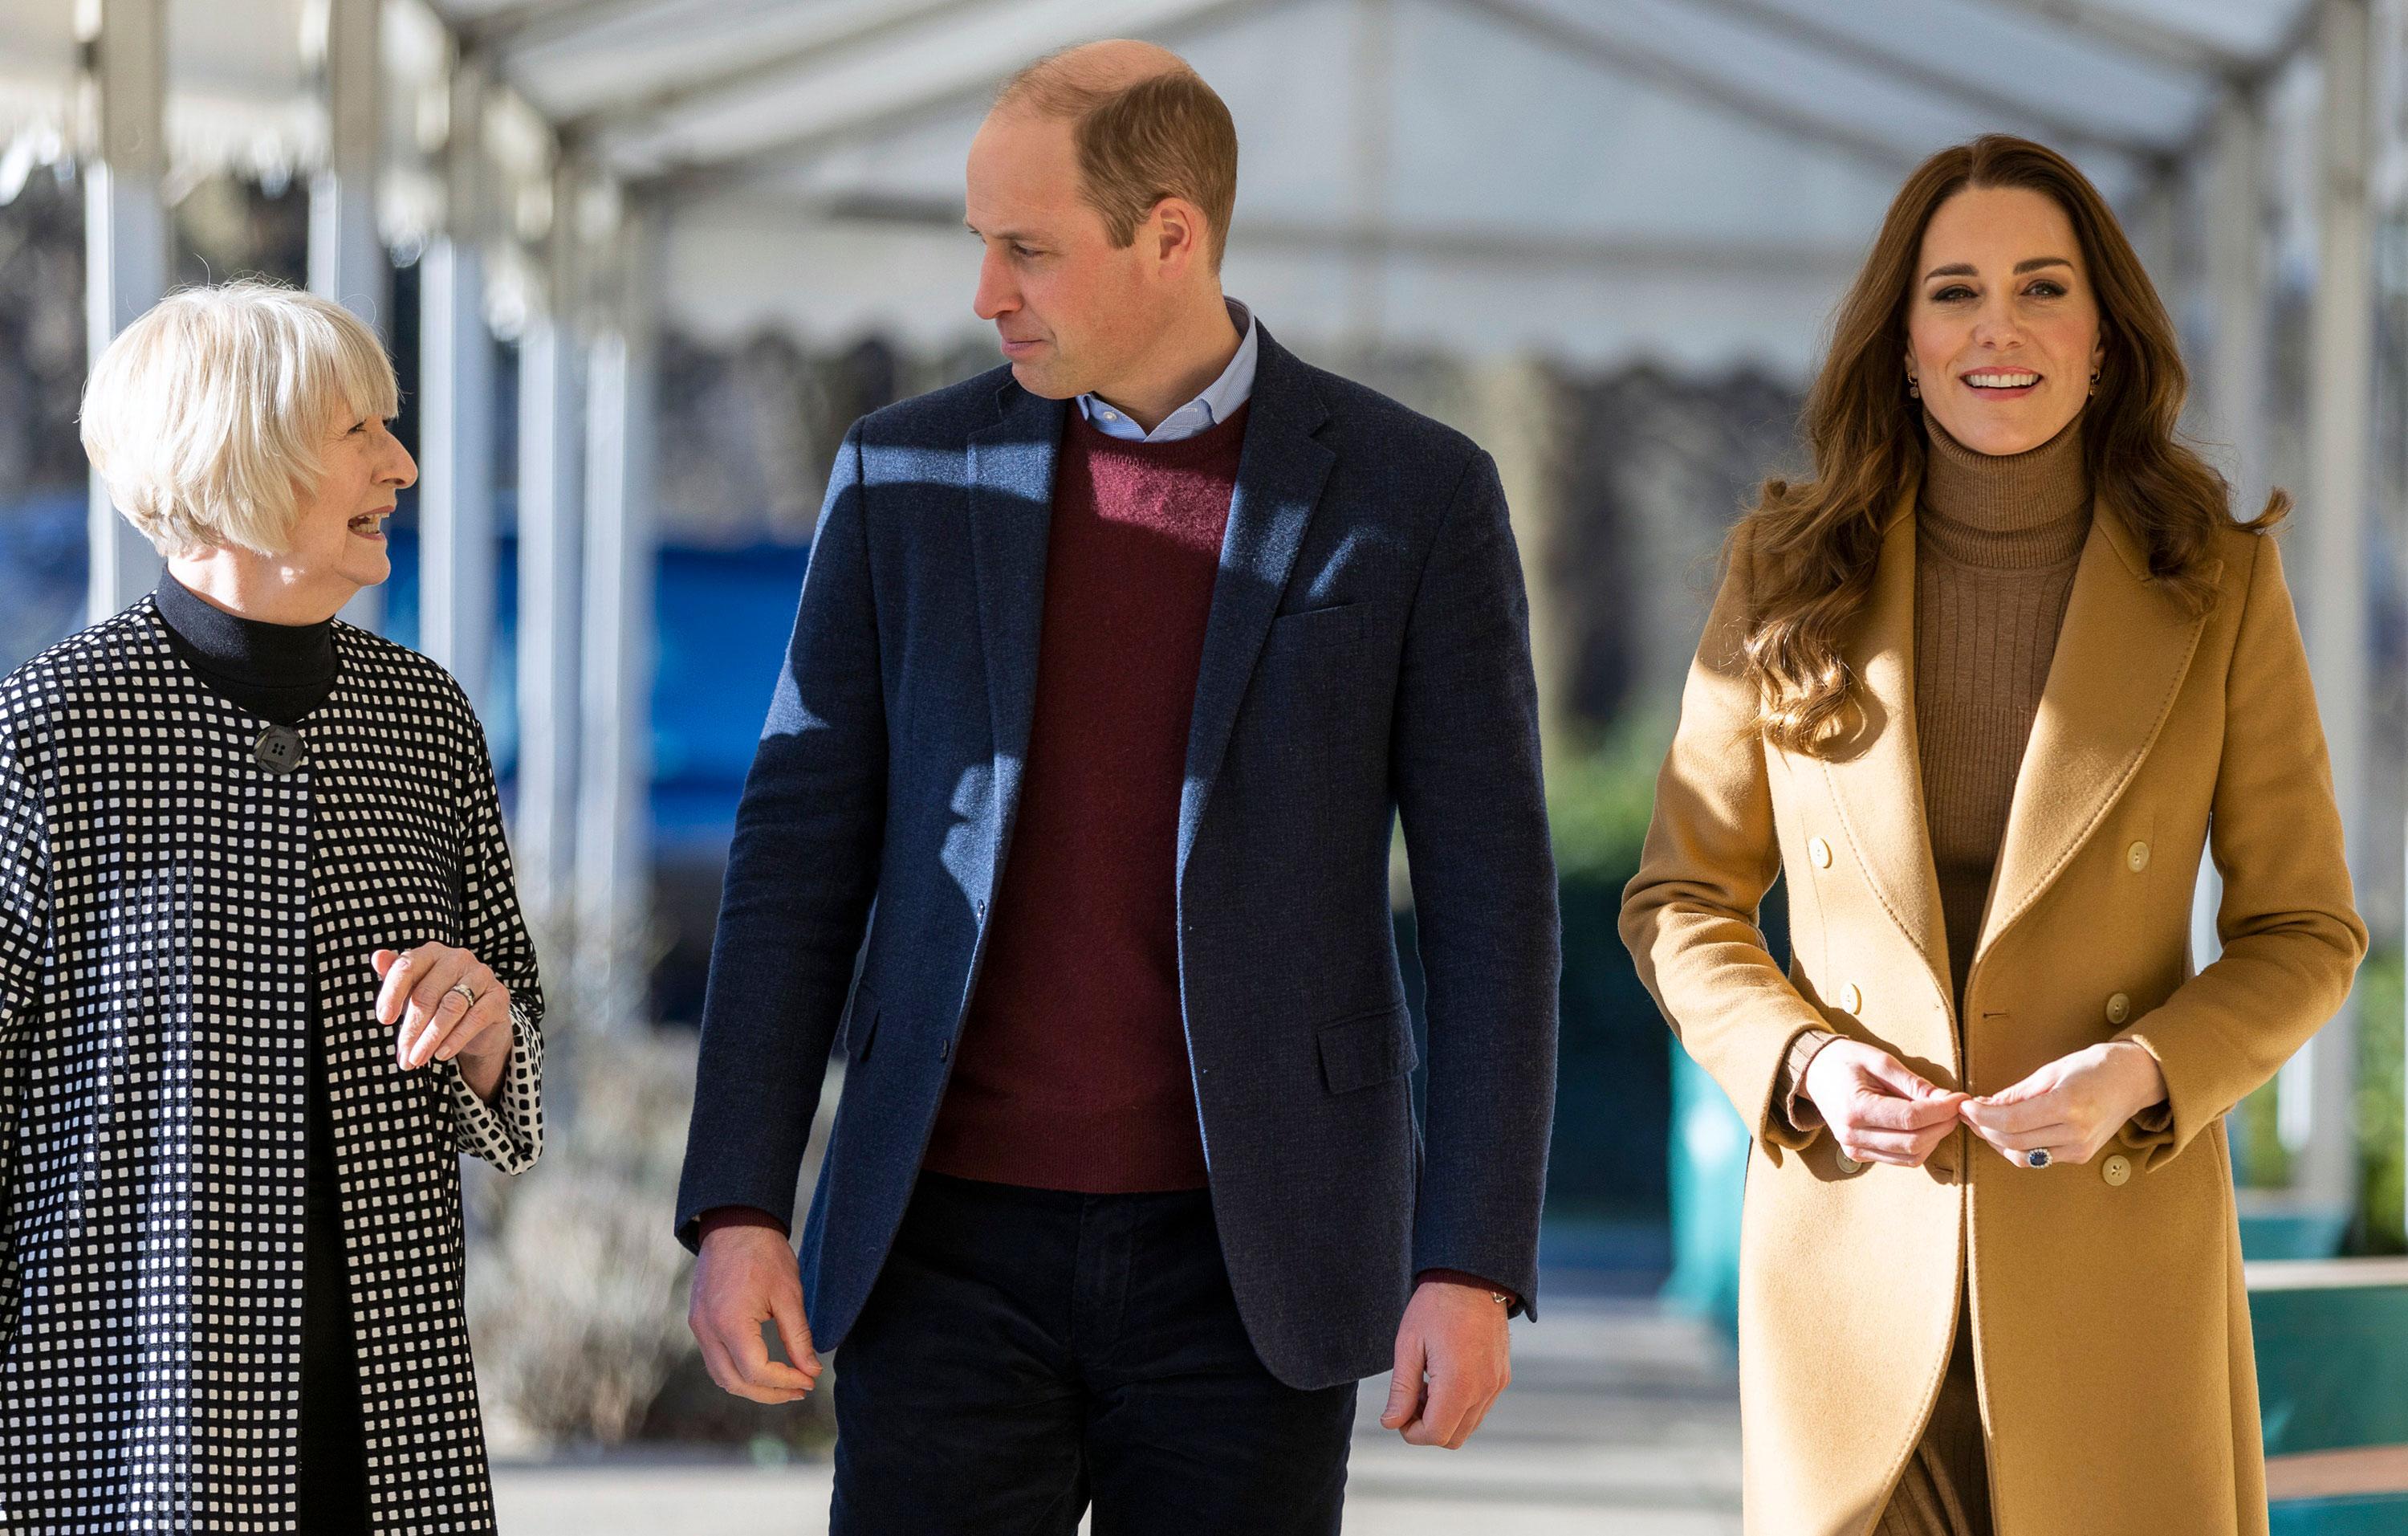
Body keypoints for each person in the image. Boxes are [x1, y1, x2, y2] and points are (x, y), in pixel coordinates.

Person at [675, 39, 1558, 1535]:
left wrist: (1471, 1259)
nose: (986, 292)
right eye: (981, 245)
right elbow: (796, 851)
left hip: (1254, 1262)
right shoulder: (902, 477)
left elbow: (1493, 899)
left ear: (1173, 235)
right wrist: (739, 1203)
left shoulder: (1418, 494)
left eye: (1028, 249)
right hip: (938, 1248)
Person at [1620, 134, 2366, 1536]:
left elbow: (2308, 930)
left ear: (2105, 339)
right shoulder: (1782, 574)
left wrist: (2148, 1069)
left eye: (2042, 287)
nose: (1999, 328)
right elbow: (1680, 898)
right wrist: (1809, 1060)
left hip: (2115, 1265)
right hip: (1853, 1258)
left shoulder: (2221, 583)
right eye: (1955, 292)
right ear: (1903, 343)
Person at [0, 280, 546, 1529]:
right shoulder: (51, 736)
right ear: (233, 451)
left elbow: (520, 1030)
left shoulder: (426, 720)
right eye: (359, 431)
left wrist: (492, 1032)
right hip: (127, 1431)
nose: (402, 464)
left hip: (393, 1425)